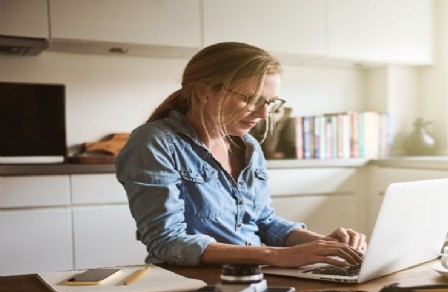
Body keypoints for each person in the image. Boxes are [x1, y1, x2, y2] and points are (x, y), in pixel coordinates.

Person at [116, 42, 366, 268]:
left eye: (270, 102)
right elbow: (167, 241)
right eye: (252, 99)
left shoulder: (247, 147)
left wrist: (326, 245)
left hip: (255, 274)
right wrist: (275, 256)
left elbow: (264, 222)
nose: (264, 114)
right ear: (204, 92)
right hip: (188, 280)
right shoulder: (155, 142)